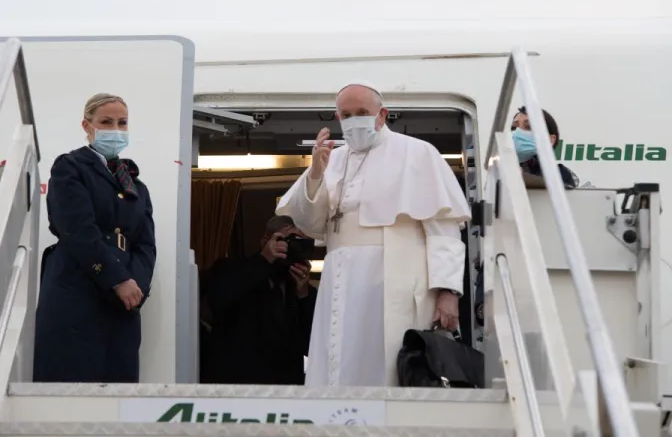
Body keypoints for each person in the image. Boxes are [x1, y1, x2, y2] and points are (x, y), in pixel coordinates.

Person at [276, 80, 470, 387]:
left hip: (394, 281)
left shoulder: (418, 153)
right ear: (338, 118)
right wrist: (314, 173)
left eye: (362, 112)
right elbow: (311, 224)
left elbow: (444, 231)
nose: (354, 120)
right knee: (336, 362)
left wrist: (447, 292)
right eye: (346, 114)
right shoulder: (332, 159)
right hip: (339, 281)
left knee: (387, 368)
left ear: (382, 115)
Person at [33, 93, 156, 383]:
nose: (115, 129)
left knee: (117, 392)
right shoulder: (70, 167)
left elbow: (146, 245)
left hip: (122, 303)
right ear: (87, 126)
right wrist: (117, 279)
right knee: (71, 384)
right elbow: (77, 229)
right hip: (76, 290)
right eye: (106, 122)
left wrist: (135, 286)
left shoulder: (135, 184)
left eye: (122, 123)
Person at [201, 215, 317, 385]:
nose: (291, 247)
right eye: (289, 239)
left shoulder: (302, 289)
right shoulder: (230, 268)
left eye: (300, 242)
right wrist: (263, 260)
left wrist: (303, 296)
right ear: (265, 240)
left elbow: (312, 347)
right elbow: (218, 299)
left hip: (286, 391)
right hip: (237, 387)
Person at [511, 106, 579, 189]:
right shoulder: (499, 171)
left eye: (528, 127)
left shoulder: (559, 174)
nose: (517, 133)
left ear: (550, 140)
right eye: (513, 128)